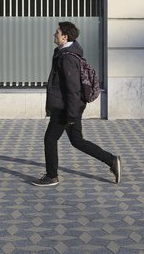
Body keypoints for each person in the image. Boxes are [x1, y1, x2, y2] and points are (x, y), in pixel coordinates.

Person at [32, 21, 121, 187]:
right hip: (69, 107)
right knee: (77, 141)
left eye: (57, 33)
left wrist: (72, 115)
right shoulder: (65, 53)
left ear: (64, 37)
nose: (54, 35)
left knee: (50, 139)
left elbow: (73, 89)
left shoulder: (67, 58)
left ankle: (52, 176)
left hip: (65, 109)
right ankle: (112, 160)